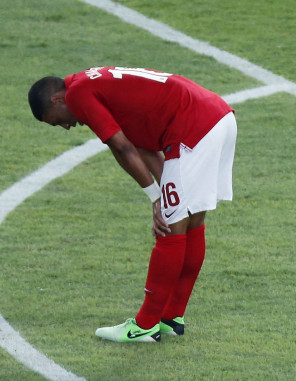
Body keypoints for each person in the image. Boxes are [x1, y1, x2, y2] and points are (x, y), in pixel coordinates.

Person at [28, 67, 237, 343]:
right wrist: (164, 194)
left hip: (193, 127)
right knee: (191, 220)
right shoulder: (94, 85)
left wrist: (155, 199)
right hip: (217, 116)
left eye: (57, 122)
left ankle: (145, 325)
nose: (66, 127)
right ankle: (171, 319)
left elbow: (122, 148)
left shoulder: (78, 94)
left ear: (57, 100)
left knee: (169, 229)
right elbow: (141, 146)